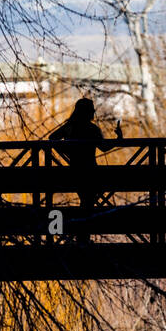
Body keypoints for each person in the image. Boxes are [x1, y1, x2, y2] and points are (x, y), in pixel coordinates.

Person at [48, 98, 121, 241]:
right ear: (89, 113)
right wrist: (118, 139)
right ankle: (83, 237)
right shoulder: (92, 129)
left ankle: (80, 236)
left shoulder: (69, 127)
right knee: (88, 203)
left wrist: (66, 151)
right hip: (91, 171)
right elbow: (104, 147)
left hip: (74, 170)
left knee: (85, 202)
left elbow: (52, 138)